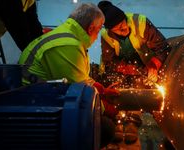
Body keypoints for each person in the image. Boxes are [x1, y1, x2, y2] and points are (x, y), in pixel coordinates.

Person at [18, 3, 118, 148]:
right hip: (34, 106)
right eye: (98, 30)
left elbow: (79, 77)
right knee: (106, 128)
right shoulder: (68, 45)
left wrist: (101, 89)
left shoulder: (67, 36)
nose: (97, 37)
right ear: (90, 28)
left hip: (38, 95)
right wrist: (105, 109)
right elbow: (78, 92)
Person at [97, 1, 171, 88]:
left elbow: (163, 47)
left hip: (145, 65)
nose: (122, 29)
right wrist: (127, 69)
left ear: (125, 18)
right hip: (122, 70)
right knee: (115, 84)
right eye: (117, 29)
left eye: (122, 24)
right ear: (110, 30)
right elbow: (109, 62)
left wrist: (153, 65)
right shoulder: (106, 35)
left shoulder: (141, 22)